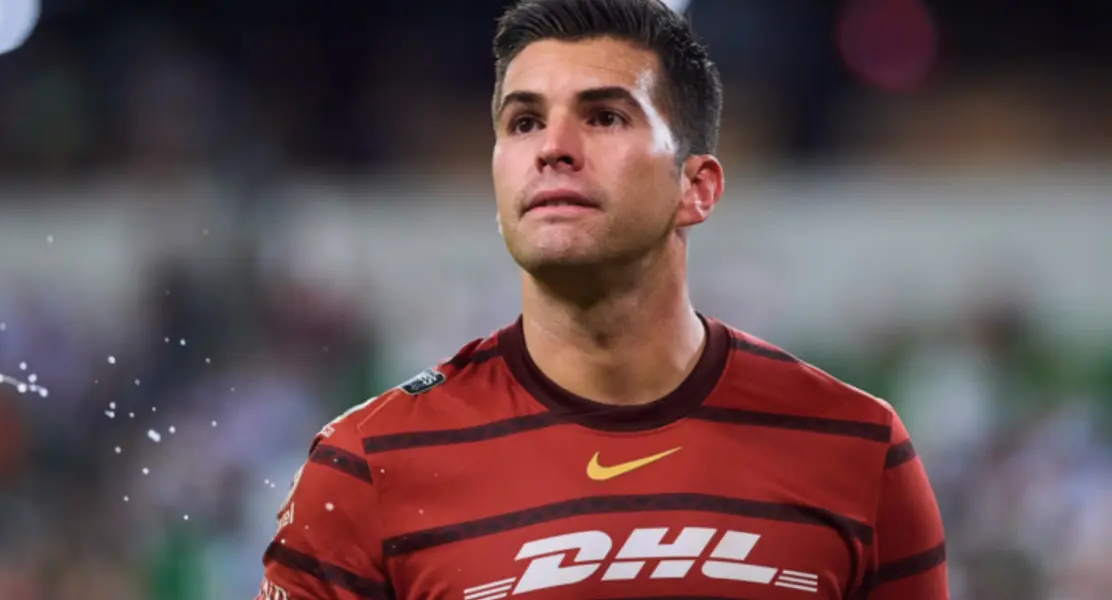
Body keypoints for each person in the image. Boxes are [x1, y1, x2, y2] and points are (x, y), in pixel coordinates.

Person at [256, 0, 948, 598]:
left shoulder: (858, 449)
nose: (553, 148)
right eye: (523, 122)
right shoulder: (368, 464)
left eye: (605, 117)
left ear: (696, 187)